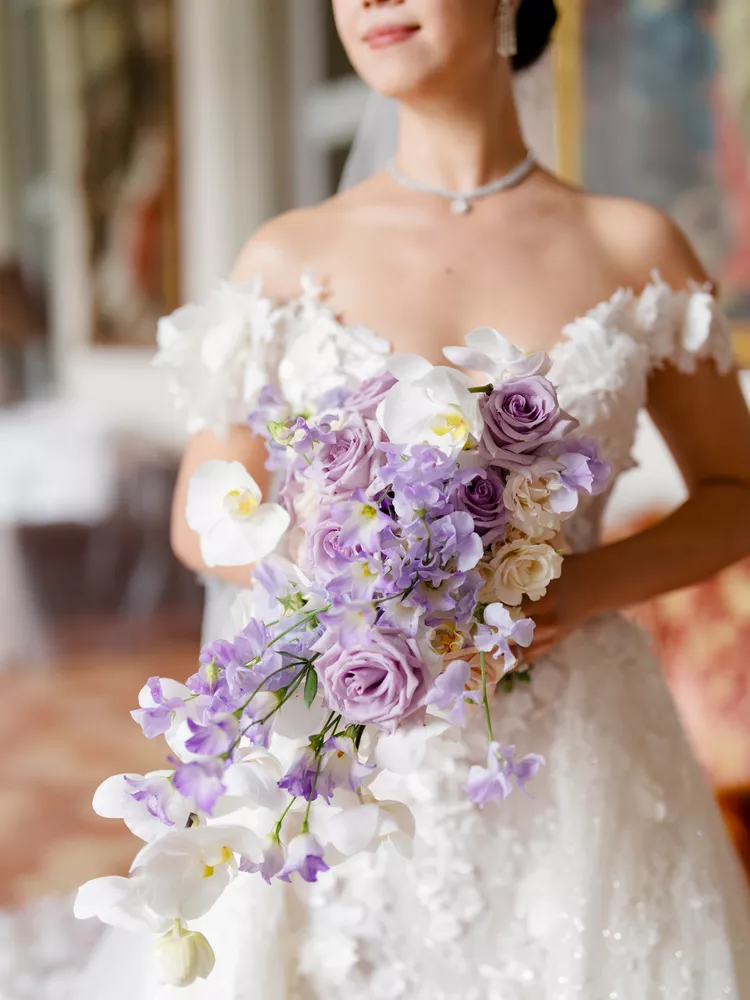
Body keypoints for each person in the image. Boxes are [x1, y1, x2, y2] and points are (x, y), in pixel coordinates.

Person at [79, 1, 750, 996]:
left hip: (570, 752)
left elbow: (736, 492)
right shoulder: (285, 256)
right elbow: (201, 513)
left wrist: (574, 585)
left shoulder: (630, 243)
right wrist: (356, 585)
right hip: (340, 744)